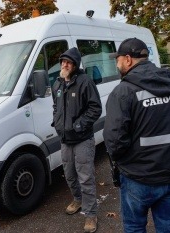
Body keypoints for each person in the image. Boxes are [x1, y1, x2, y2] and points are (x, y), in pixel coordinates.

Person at [103, 38, 170, 232]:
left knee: (134, 227)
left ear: (128, 59)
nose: (116, 63)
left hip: (139, 179)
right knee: (169, 227)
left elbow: (114, 143)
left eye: (118, 59)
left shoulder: (123, 92)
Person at [51, 47, 102, 233]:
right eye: (63, 61)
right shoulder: (57, 84)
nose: (64, 64)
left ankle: (91, 214)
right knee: (70, 174)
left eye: (68, 62)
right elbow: (56, 106)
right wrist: (57, 122)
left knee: (86, 177)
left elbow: (95, 109)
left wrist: (79, 125)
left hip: (82, 139)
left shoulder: (85, 82)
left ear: (75, 65)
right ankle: (78, 200)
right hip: (65, 140)